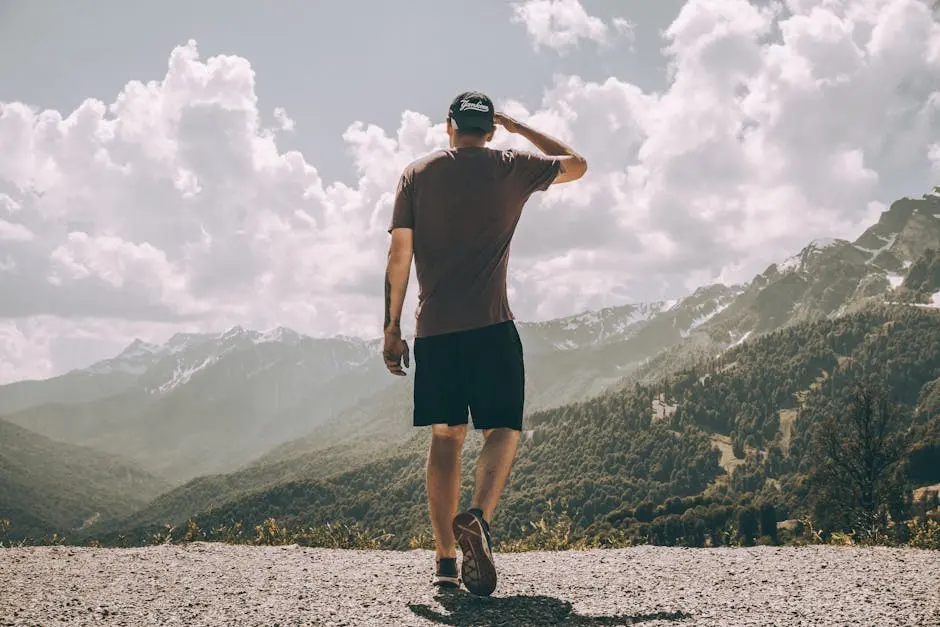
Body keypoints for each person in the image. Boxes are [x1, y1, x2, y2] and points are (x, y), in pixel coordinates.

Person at [381, 91, 587, 596]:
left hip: (435, 331)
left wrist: (391, 327)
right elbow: (577, 165)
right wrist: (519, 128)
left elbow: (399, 254)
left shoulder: (417, 174)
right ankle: (477, 517)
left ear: (447, 125)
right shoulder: (511, 166)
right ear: (490, 130)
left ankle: (446, 563)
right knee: (503, 430)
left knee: (446, 438)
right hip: (493, 328)